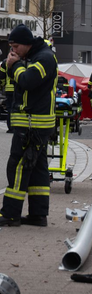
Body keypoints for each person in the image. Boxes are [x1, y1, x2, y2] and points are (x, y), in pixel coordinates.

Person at [0, 25, 57, 227]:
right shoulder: (30, 56)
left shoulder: (44, 58)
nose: (13, 51)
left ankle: (10, 214)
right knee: (38, 169)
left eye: (15, 47)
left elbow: (27, 81)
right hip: (34, 124)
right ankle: (38, 215)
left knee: (18, 167)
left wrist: (14, 66)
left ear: (26, 44)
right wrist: (10, 64)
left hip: (33, 125)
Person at [0, 52, 15, 133]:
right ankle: (17, 127)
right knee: (17, 109)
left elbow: (1, 76)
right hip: (19, 90)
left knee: (10, 109)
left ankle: (10, 128)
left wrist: (2, 85)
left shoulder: (5, 62)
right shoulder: (22, 61)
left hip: (9, 90)